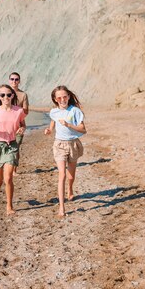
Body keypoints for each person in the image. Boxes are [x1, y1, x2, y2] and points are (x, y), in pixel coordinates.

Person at [44, 85, 87, 218]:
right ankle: (62, 207)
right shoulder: (54, 112)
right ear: (55, 99)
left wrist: (69, 125)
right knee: (61, 174)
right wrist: (50, 130)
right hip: (59, 144)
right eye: (59, 98)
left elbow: (83, 129)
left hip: (73, 144)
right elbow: (53, 120)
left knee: (70, 176)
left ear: (68, 97)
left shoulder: (75, 111)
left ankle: (70, 188)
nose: (62, 99)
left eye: (64, 97)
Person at [0, 85, 26, 216]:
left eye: (8, 95)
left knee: (8, 178)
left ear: (13, 96)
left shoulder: (18, 111)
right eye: (2, 95)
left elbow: (23, 124)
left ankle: (9, 205)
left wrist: (22, 129)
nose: (6, 97)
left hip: (11, 145)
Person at [9, 72, 29, 174]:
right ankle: (8, 168)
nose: (14, 81)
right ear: (9, 80)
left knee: (16, 147)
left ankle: (14, 170)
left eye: (16, 79)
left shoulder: (23, 95)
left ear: (19, 81)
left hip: (19, 125)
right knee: (6, 147)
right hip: (6, 126)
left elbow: (26, 111)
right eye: (12, 79)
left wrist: (17, 115)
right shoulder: (4, 93)